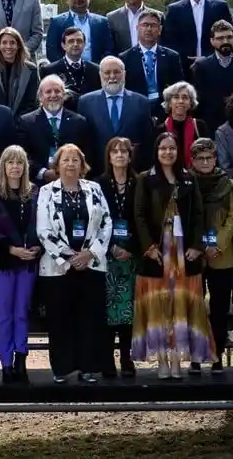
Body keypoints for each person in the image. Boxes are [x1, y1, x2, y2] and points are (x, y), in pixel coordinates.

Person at [131, 132, 213, 379]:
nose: (168, 152)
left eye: (172, 148)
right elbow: (139, 216)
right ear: (156, 152)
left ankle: (179, 357)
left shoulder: (188, 179)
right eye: (163, 148)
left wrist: (197, 246)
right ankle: (162, 359)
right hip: (156, 253)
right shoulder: (146, 179)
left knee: (180, 305)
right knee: (159, 306)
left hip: (183, 252)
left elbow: (199, 214)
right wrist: (149, 247)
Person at [35, 143, 113, 384]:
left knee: (90, 318)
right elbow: (43, 229)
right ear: (57, 165)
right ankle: (62, 368)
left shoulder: (95, 189)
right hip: (58, 267)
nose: (70, 164)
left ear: (83, 165)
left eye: (75, 160)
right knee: (60, 319)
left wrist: (89, 254)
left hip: (91, 264)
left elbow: (107, 223)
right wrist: (69, 257)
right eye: (65, 160)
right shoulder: (47, 191)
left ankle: (89, 367)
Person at [0, 145, 41, 384]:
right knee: (3, 315)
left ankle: (21, 358)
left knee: (22, 312)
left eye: (19, 162)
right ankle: (6, 363)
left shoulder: (34, 192)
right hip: (2, 262)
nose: (15, 167)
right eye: (10, 162)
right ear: (3, 166)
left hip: (28, 262)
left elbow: (41, 225)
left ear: (25, 166)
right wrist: (11, 248)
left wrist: (35, 247)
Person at [190, 138, 233, 373]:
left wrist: (217, 244)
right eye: (201, 158)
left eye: (210, 157)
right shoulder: (187, 183)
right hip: (195, 255)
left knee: (219, 309)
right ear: (193, 161)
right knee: (196, 307)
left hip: (222, 254)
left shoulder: (226, 183)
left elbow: (232, 216)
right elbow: (186, 219)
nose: (206, 162)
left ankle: (217, 355)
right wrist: (200, 246)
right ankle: (196, 357)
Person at [99, 137, 138, 379]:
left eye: (124, 151)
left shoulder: (139, 182)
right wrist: (111, 246)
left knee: (128, 311)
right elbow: (96, 218)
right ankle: (106, 360)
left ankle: (126, 357)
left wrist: (132, 247)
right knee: (108, 309)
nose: (120, 155)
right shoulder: (99, 184)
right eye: (115, 151)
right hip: (107, 255)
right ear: (109, 156)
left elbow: (144, 217)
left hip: (132, 255)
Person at [0, 26, 40, 117]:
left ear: (18, 46)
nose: (8, 46)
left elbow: (33, 101)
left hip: (23, 123)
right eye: (4, 43)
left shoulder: (30, 70)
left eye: (12, 43)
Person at [158, 81, 211, 157]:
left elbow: (208, 154)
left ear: (190, 103)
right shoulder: (161, 129)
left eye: (185, 97)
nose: (180, 101)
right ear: (169, 103)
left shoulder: (200, 126)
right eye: (176, 97)